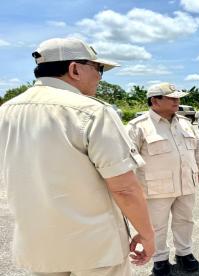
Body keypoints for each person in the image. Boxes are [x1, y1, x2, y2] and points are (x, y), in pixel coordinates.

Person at [0, 38, 155, 275]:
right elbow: (124, 188)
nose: (100, 77)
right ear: (74, 69)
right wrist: (146, 234)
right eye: (98, 69)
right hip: (95, 248)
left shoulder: (6, 111)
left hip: (38, 246)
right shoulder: (92, 111)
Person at [127, 83, 199, 276]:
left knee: (185, 220)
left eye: (178, 98)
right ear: (155, 100)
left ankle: (184, 253)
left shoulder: (184, 122)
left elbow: (197, 149)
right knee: (157, 225)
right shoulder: (139, 126)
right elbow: (128, 160)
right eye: (172, 98)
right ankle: (160, 258)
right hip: (156, 188)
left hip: (186, 182)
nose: (177, 101)